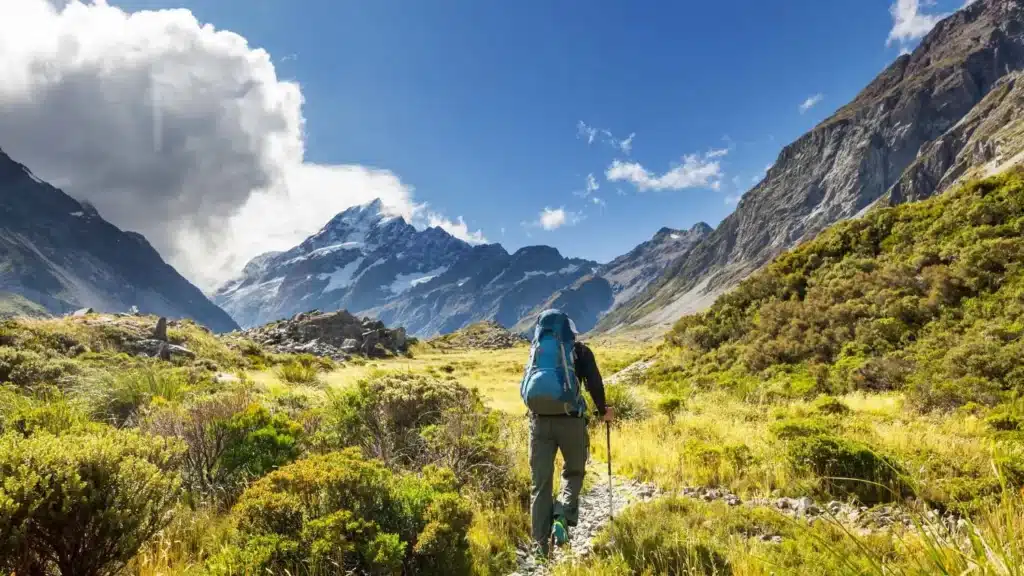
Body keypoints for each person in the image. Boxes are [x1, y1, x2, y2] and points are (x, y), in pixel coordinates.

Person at [521, 311, 614, 556]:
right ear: (569, 331)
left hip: (539, 423)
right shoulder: (580, 351)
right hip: (571, 421)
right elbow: (594, 382)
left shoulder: (537, 352)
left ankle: (540, 548)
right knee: (573, 472)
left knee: (540, 485)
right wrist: (603, 410)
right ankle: (562, 517)